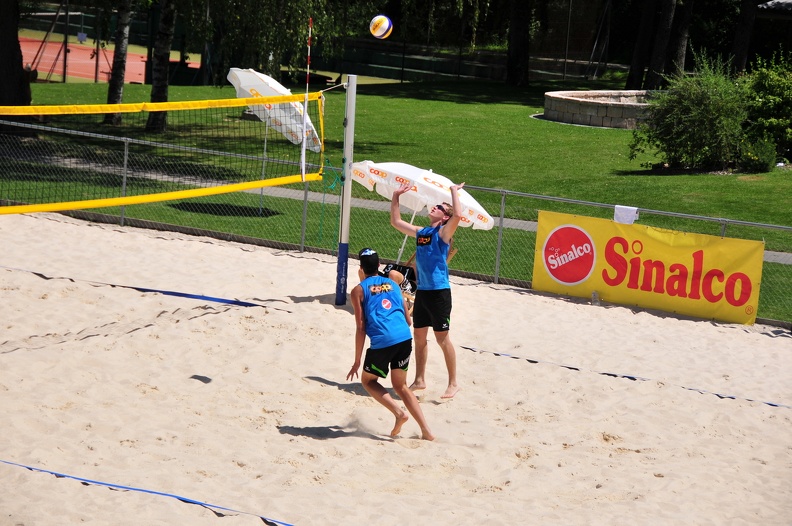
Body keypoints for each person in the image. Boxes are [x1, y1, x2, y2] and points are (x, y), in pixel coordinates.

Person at [347, 248, 435, 441]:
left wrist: (356, 361)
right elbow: (409, 320)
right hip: (404, 337)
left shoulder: (358, 290)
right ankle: (427, 431)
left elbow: (361, 328)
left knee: (368, 381)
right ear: (379, 266)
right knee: (401, 386)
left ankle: (399, 412)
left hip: (383, 341)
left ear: (361, 268)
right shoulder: (393, 284)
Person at [390, 181, 464, 399]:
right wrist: (396, 196)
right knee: (419, 337)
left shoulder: (443, 233)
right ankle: (420, 380)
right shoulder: (422, 233)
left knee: (442, 339)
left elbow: (457, 216)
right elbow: (396, 221)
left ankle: (453, 383)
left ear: (444, 217)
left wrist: (453, 192)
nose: (434, 207)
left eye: (440, 208)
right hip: (423, 291)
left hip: (439, 292)